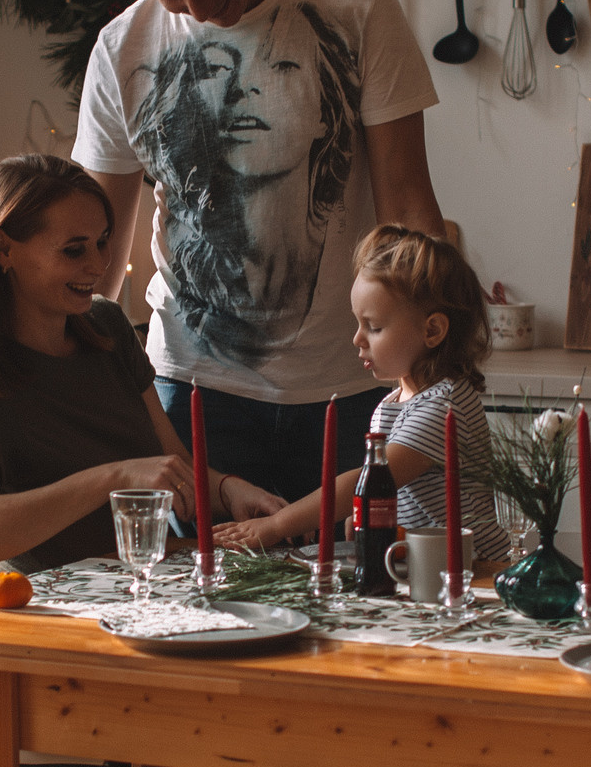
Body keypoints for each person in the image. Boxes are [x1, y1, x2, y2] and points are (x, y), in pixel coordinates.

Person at [75, 0, 527, 767]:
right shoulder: (125, 46)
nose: (195, 10)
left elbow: (408, 209)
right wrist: (93, 381)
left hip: (352, 397)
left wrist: (447, 362)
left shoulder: (352, 6)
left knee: (394, 674)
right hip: (194, 395)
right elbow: (94, 244)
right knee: (219, 677)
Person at [0, 154, 282, 576]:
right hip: (54, 611)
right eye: (74, 250)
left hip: (148, 583)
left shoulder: (107, 327)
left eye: (102, 241)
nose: (98, 265)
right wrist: (112, 479)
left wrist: (225, 488)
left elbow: (172, 466)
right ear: (4, 249)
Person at [214, 226, 502, 573]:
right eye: (358, 323)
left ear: (432, 331)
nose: (357, 339)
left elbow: (364, 479)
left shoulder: (444, 407)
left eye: (374, 327)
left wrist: (276, 526)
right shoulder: (394, 402)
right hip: (425, 565)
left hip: (478, 570)